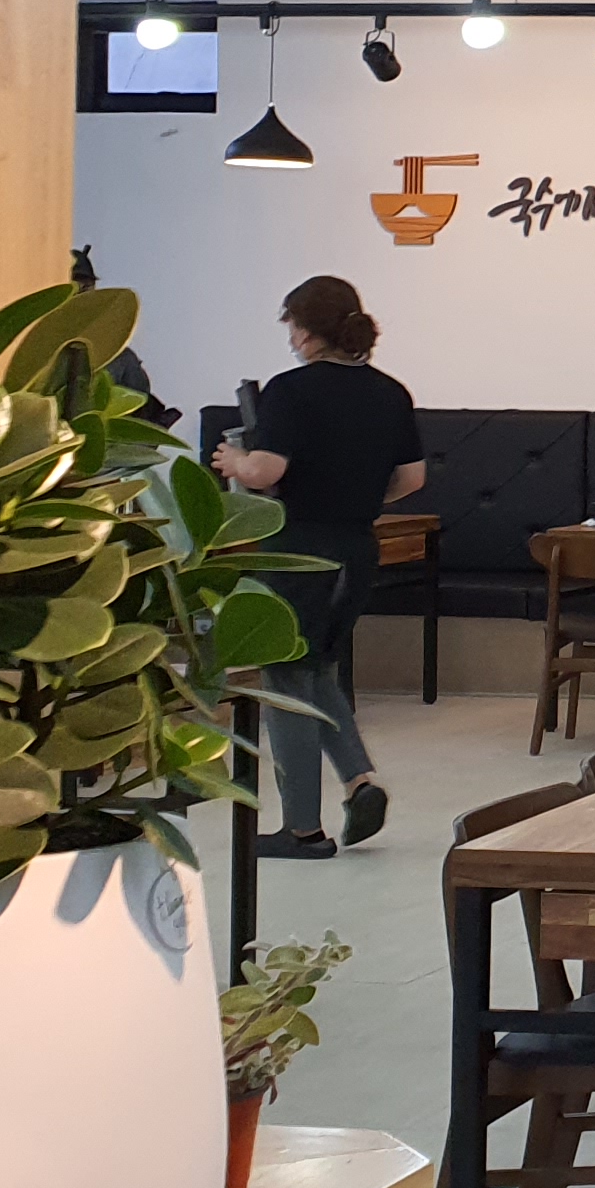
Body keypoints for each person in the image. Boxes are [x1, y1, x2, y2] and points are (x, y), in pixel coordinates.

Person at [212, 277, 424, 856]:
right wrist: (355, 497)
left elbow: (266, 471)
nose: (290, 337)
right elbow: (412, 478)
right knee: (316, 669)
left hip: (298, 549)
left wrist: (234, 460)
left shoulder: (290, 390)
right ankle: (359, 782)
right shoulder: (391, 392)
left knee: (284, 678)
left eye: (291, 326)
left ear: (305, 330)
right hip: (358, 550)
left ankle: (302, 829)